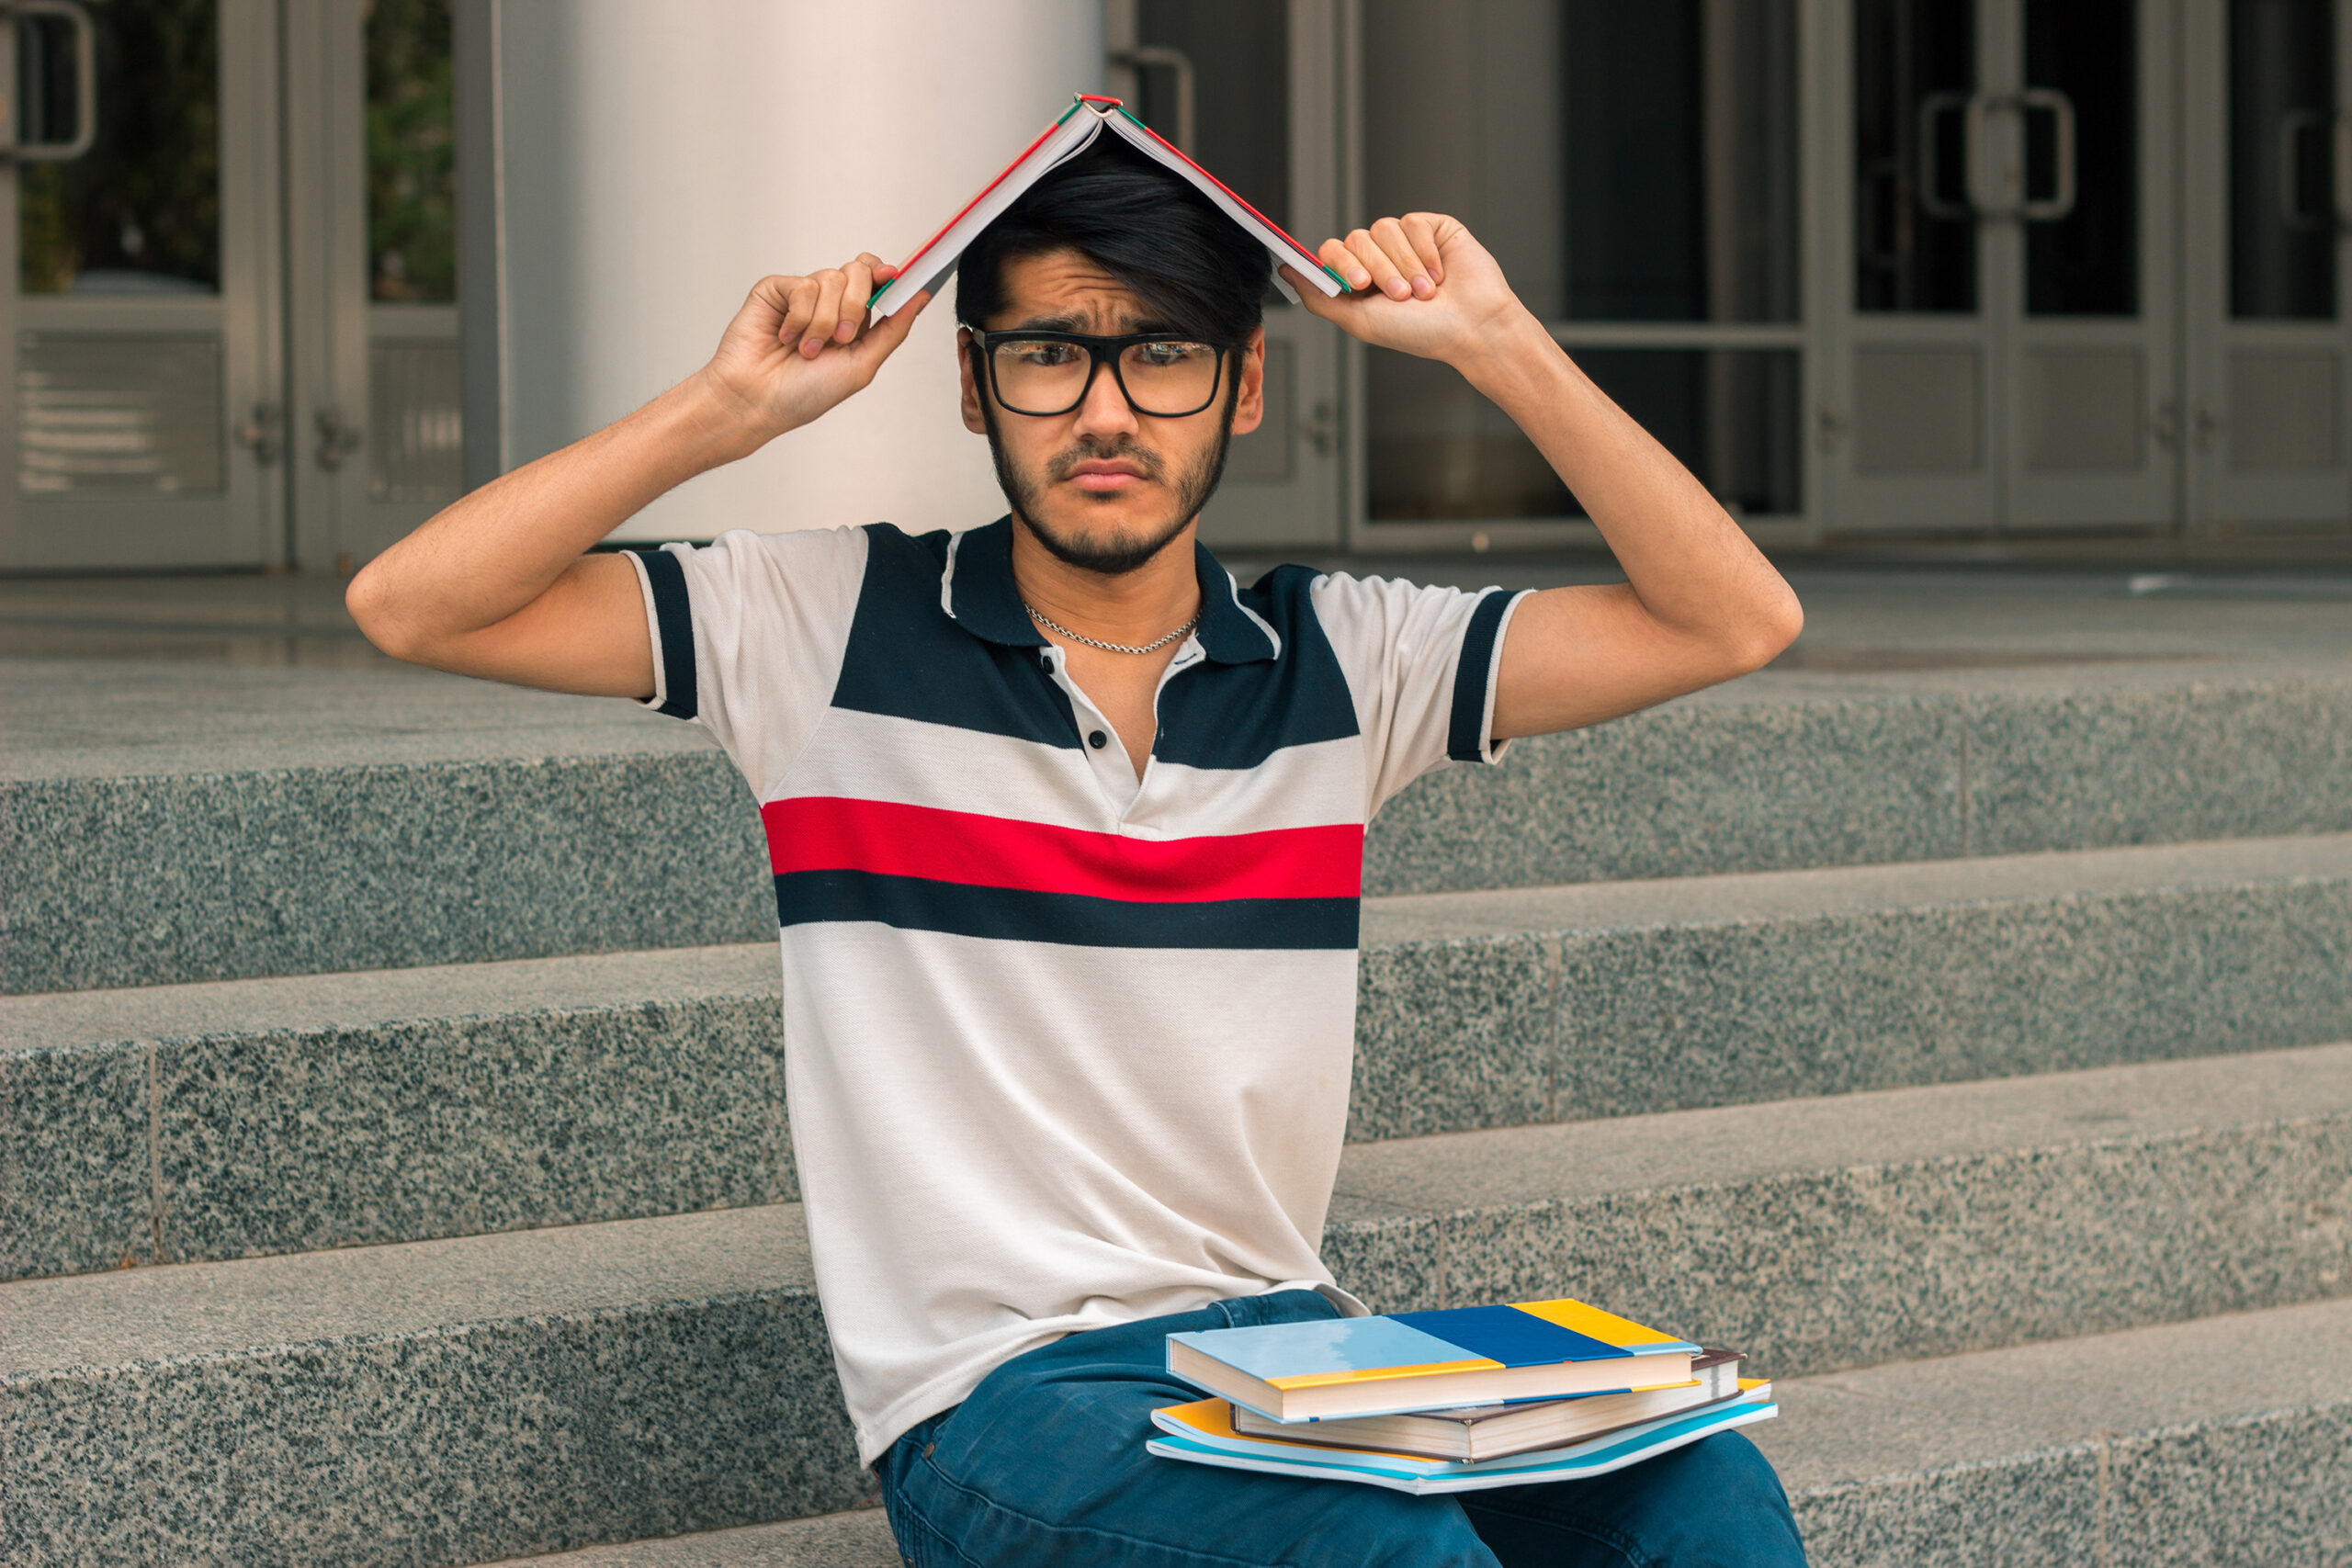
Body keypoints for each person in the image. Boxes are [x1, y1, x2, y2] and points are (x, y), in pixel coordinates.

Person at [346, 139, 1808, 1568]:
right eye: (1050, 354)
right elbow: (416, 607)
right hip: (1004, 1400)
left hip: (1295, 1349)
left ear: (1242, 387)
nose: (1105, 411)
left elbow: (1731, 620)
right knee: (1378, 1554)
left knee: (1703, 1496)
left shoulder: (1347, 658)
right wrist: (726, 411)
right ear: (975, 387)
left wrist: (1497, 342)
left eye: (1161, 354)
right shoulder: (821, 626)